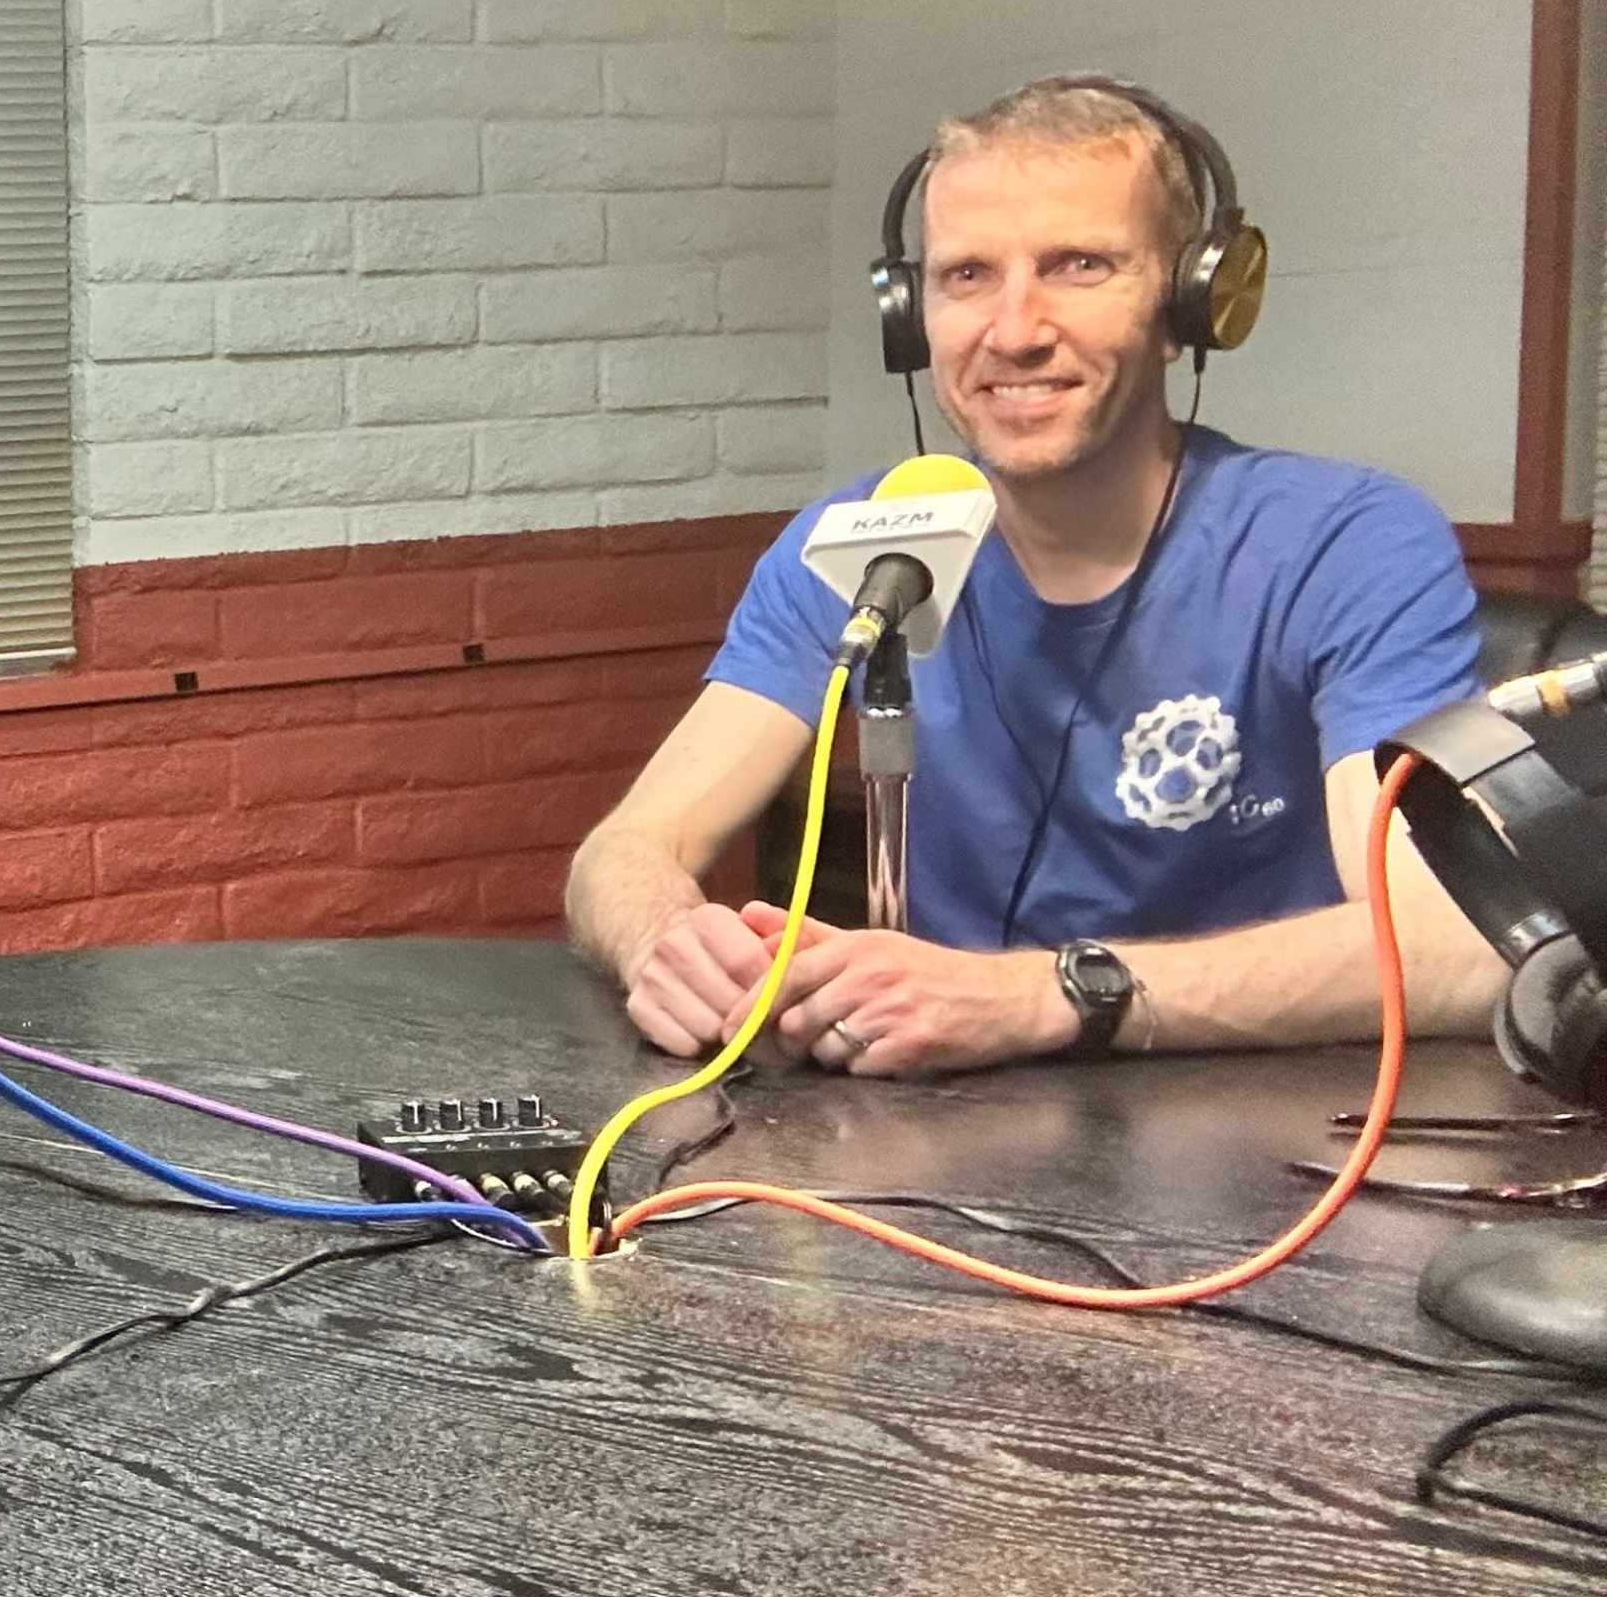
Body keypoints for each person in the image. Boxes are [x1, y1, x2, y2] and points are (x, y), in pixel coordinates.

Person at [567, 73, 1501, 1078]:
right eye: (967, 277)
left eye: (1080, 266)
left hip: (1279, 1144)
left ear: (1194, 302)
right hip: (948, 1137)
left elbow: (1452, 947)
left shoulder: (1345, 545)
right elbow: (618, 856)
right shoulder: (866, 546)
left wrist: (1048, 994)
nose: (1014, 330)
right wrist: (662, 938)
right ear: (909, 317)